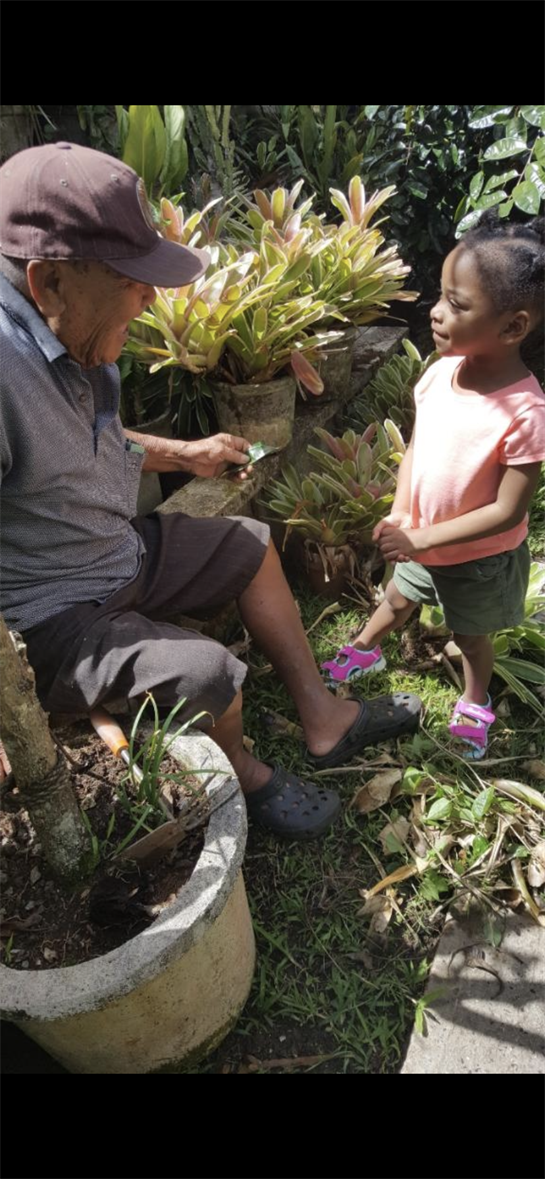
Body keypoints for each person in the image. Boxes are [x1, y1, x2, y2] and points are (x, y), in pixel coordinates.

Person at [0, 142, 421, 836]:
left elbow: (78, 443)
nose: (151, 296)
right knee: (209, 673)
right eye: (133, 281)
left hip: (113, 549)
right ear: (48, 282)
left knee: (251, 545)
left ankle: (321, 717)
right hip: (51, 616)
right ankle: (244, 777)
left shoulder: (68, 324)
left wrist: (183, 455)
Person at [323, 213, 545, 760]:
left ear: (513, 327)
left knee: (470, 636)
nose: (436, 312)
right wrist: (403, 514)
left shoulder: (525, 413)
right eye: (442, 296)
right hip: (421, 537)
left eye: (457, 304)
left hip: (477, 558)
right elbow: (419, 447)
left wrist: (425, 540)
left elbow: (507, 512)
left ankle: (474, 699)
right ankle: (363, 649)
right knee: (397, 596)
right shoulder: (442, 373)